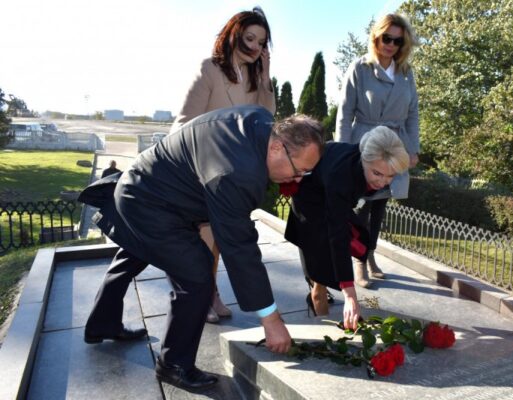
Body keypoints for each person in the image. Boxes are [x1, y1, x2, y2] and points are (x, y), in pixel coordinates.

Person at [79, 105, 324, 393]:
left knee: (136, 251)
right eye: (300, 170)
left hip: (144, 184)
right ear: (277, 147)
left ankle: (102, 323)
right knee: (196, 276)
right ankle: (174, 365)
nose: (298, 179)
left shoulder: (259, 120)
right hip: (150, 204)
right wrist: (271, 320)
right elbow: (239, 247)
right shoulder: (238, 173)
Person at [170, 7, 275, 323]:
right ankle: (202, 294)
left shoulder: (255, 79)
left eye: (262, 43)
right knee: (204, 240)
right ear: (234, 35)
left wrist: (266, 77)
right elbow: (184, 122)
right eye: (250, 38)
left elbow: (265, 119)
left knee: (217, 238)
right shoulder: (210, 69)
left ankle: (209, 291)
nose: (255, 47)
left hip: (231, 173)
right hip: (200, 168)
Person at [285, 126, 409, 329]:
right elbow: (338, 233)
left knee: (356, 240)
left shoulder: (366, 163)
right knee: (321, 262)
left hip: (330, 190)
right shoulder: (342, 176)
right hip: (310, 199)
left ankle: (321, 290)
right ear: (364, 159)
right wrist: (350, 294)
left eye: (390, 176)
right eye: (377, 173)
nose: (382, 182)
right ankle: (319, 308)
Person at [336, 13, 420, 288]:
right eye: (387, 38)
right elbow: (345, 113)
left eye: (398, 41)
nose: (391, 45)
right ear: (376, 37)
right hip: (364, 144)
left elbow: (412, 114)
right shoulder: (360, 68)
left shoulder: (406, 73)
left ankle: (370, 254)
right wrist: (343, 151)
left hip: (395, 145)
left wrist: (413, 149)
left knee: (380, 206)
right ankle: (359, 261)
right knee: (362, 206)